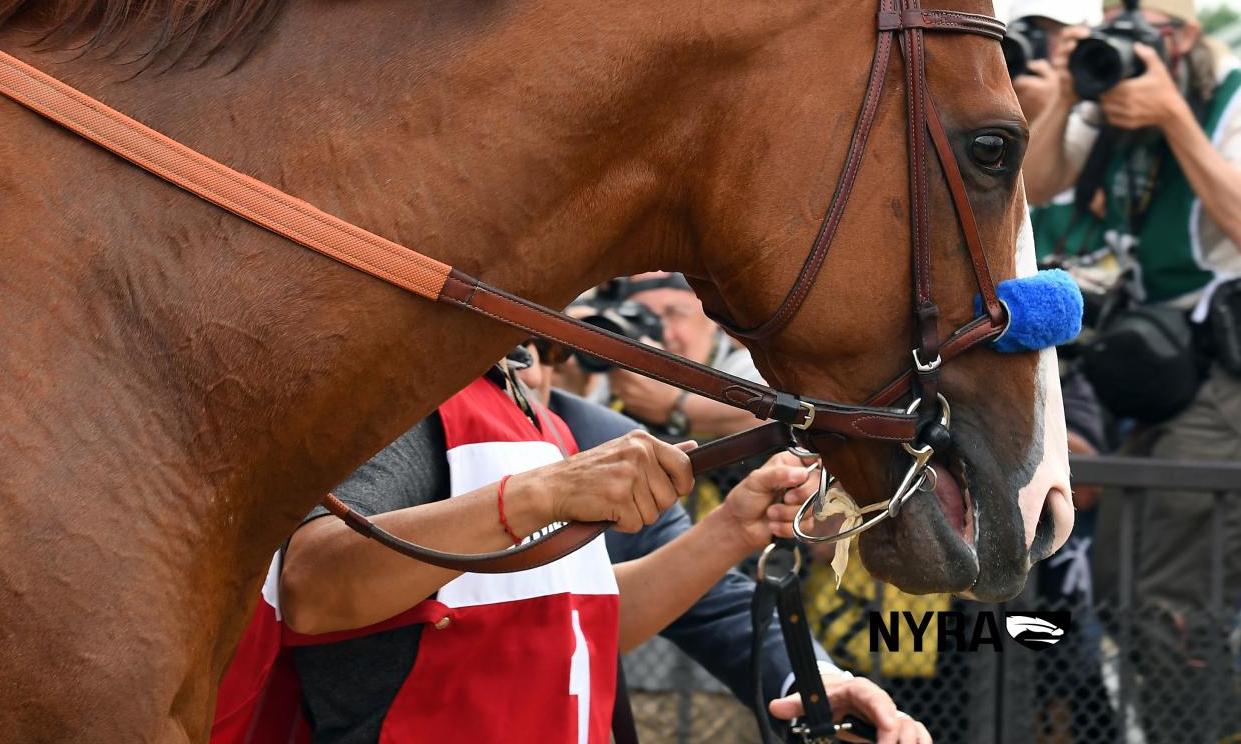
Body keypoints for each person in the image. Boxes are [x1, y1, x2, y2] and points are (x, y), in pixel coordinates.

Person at [214, 366, 930, 744]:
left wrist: (732, 531)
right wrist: (538, 494)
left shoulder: (542, 417)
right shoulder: (401, 403)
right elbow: (309, 590)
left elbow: (573, 635)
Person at [1020, 0, 1241, 743]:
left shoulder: (1226, 99)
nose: (1129, 51)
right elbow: (1038, 183)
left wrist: (1176, 118)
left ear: (1183, 39)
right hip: (1166, 376)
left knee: (1168, 597)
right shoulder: (1109, 102)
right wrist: (1071, 96)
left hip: (1228, 372)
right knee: (1114, 583)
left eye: (1145, 36)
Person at [604, 272, 766, 439]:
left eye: (675, 313)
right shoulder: (616, 376)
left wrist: (673, 407)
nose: (664, 333)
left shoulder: (749, 367)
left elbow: (776, 412)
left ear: (715, 319)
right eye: (643, 316)